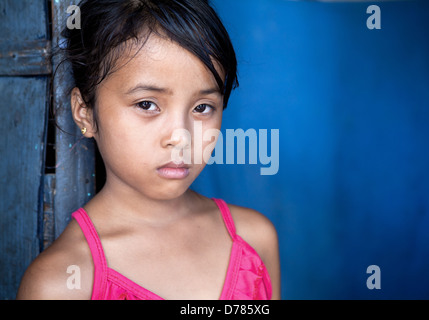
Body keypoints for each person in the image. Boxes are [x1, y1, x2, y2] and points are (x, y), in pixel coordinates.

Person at [17, 0, 280, 300]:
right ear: (85, 113)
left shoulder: (254, 241)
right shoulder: (62, 283)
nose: (181, 138)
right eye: (147, 105)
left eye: (202, 107)